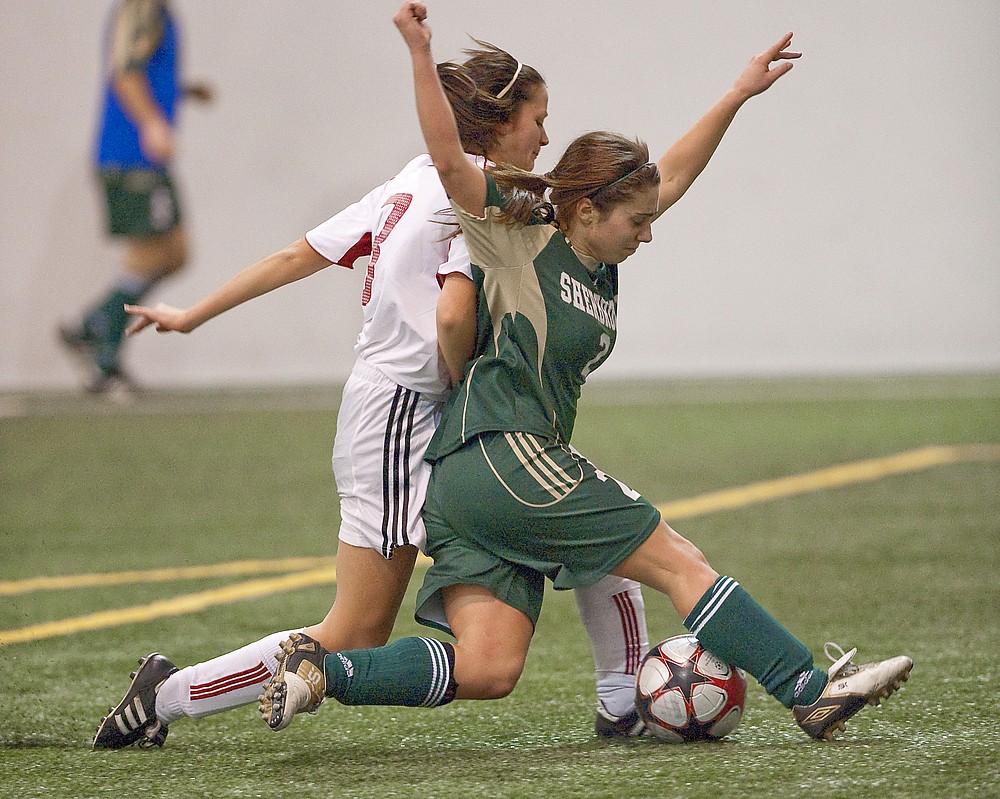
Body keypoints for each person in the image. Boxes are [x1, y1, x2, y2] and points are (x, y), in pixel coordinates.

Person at [258, 1, 913, 743]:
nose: (649, 231)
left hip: (473, 485)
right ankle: (807, 687)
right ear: (590, 207)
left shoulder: (599, 255)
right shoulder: (522, 232)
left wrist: (735, 95)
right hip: (503, 453)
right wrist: (417, 51)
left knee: (489, 667)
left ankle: (321, 672)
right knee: (678, 559)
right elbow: (448, 162)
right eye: (636, 221)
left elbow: (673, 176)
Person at [92, 40, 649, 750]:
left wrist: (193, 312)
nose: (545, 136)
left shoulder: (410, 180)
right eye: (539, 118)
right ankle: (164, 696)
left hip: (400, 407)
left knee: (582, 527)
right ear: (499, 122)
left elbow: (297, 254)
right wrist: (462, 374)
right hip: (404, 414)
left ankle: (621, 702)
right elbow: (453, 313)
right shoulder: (475, 196)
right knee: (354, 629)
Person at [59, 0, 213, 398]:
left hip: (144, 162)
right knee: (151, 255)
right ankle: (102, 352)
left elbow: (145, 71)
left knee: (176, 253)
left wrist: (181, 91)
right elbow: (125, 72)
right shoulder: (140, 8)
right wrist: (151, 123)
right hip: (130, 159)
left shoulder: (160, 12)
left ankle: (91, 326)